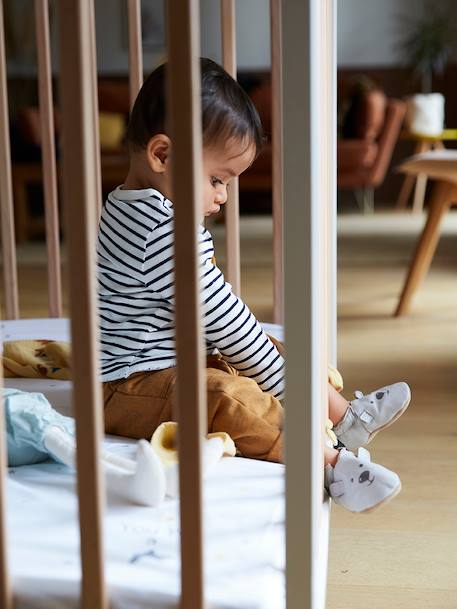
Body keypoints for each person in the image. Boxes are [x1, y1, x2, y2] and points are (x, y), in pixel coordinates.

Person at [98, 58, 411, 513]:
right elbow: (223, 319)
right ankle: (327, 462)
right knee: (229, 396)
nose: (222, 196)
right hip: (129, 387)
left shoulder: (130, 205)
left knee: (265, 341)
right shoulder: (163, 233)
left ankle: (344, 416)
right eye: (216, 179)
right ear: (162, 155)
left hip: (165, 362)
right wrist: (282, 383)